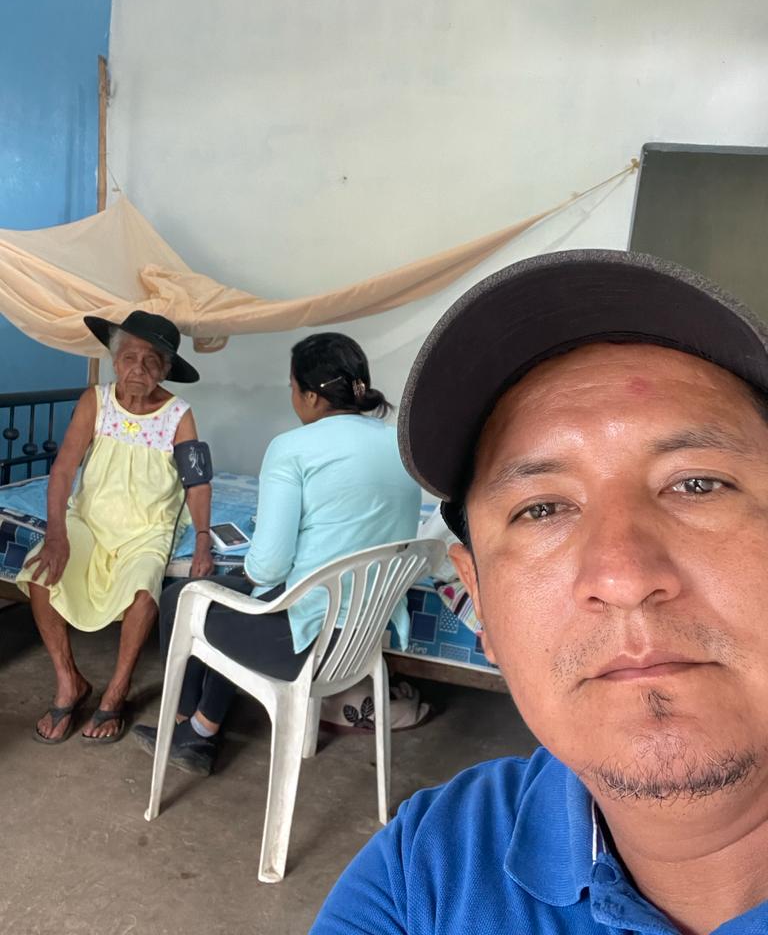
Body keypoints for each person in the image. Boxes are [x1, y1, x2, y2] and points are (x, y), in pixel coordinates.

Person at [310, 249, 768, 935]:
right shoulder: (430, 868)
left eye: (697, 484)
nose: (623, 578)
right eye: (542, 508)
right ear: (480, 603)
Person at [133, 332, 421, 775]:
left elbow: (267, 566)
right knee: (230, 596)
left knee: (183, 597)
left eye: (292, 387)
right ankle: (200, 728)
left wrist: (256, 568)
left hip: (306, 642)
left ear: (311, 396)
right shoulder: (401, 446)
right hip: (364, 634)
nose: (292, 397)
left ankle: (187, 726)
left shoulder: (293, 449)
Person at [17, 311, 212, 744]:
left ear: (164, 370)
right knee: (38, 572)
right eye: (128, 358)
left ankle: (117, 691)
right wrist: (56, 534)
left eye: (151, 361)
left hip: (147, 529)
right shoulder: (96, 401)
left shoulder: (179, 414)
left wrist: (202, 538)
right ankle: (69, 682)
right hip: (90, 521)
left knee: (144, 591)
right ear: (114, 360)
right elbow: (64, 469)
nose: (137, 369)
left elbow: (197, 482)